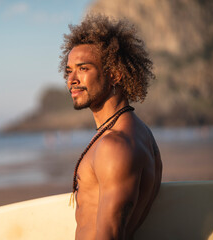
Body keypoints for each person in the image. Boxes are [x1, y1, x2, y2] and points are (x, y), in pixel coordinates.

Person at [59, 14, 162, 240]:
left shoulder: (114, 147)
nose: (71, 80)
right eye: (68, 71)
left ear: (114, 74)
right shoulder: (140, 133)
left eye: (83, 68)